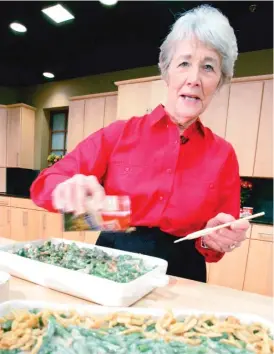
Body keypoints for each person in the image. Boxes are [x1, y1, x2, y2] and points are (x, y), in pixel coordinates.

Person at [30, 4, 250, 283]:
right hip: (110, 264)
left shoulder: (223, 154)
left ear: (219, 81)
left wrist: (215, 240)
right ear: (167, 72)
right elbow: (46, 185)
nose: (194, 79)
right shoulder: (119, 134)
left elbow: (213, 244)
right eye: (184, 63)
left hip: (182, 273)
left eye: (208, 67)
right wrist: (69, 192)